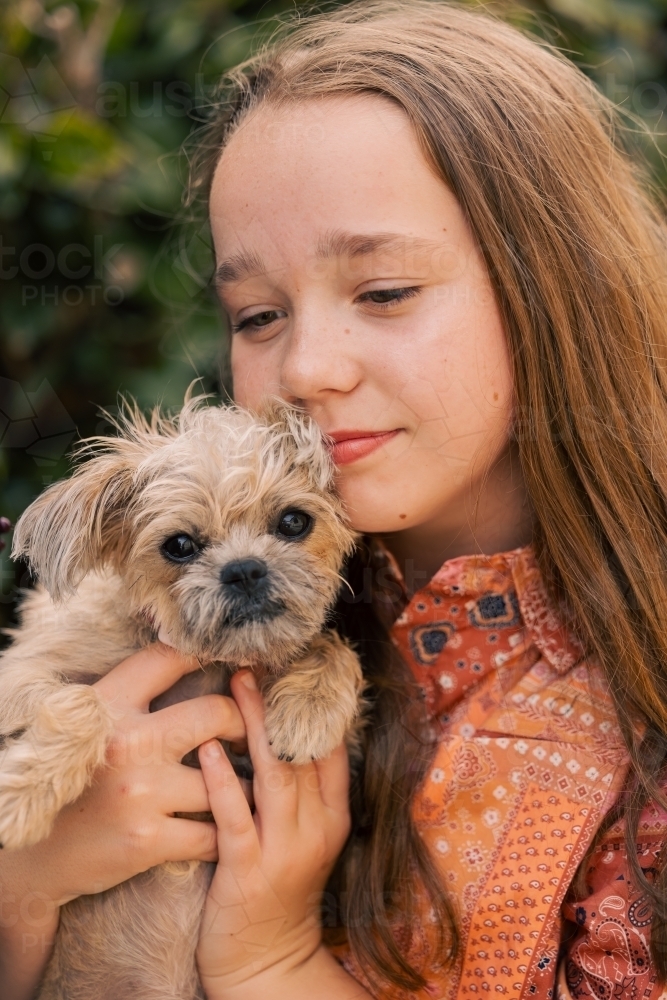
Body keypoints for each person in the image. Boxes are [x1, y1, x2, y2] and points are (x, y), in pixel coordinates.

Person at [3, 1, 667, 996]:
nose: (307, 367)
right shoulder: (178, 626)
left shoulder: (636, 693)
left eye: (385, 290)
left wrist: (269, 957)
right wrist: (24, 883)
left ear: (558, 282)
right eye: (258, 314)